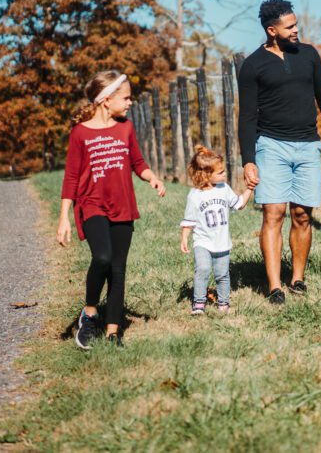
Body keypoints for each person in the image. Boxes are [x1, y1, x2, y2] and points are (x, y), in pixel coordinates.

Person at [237, 0, 321, 304]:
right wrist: (248, 161)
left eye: (296, 24)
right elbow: (247, 116)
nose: (296, 30)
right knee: (273, 213)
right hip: (271, 146)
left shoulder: (309, 55)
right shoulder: (252, 66)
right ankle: (274, 286)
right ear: (272, 30)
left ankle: (297, 279)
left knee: (302, 214)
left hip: (307, 146)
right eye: (290, 26)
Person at [57, 70, 166, 349]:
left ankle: (113, 332)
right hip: (92, 204)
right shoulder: (80, 133)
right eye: (126, 98)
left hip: (123, 206)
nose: (130, 103)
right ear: (106, 99)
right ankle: (90, 313)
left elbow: (137, 162)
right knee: (102, 257)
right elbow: (71, 177)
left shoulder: (125, 128)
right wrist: (64, 218)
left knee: (118, 269)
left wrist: (151, 177)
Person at [179, 146, 254, 314]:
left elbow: (239, 204)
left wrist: (250, 189)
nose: (224, 174)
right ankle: (199, 303)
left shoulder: (224, 189)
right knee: (203, 269)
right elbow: (189, 220)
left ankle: (223, 302)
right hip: (202, 242)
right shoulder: (194, 195)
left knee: (222, 274)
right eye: (220, 172)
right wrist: (184, 238)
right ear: (206, 175)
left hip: (222, 243)